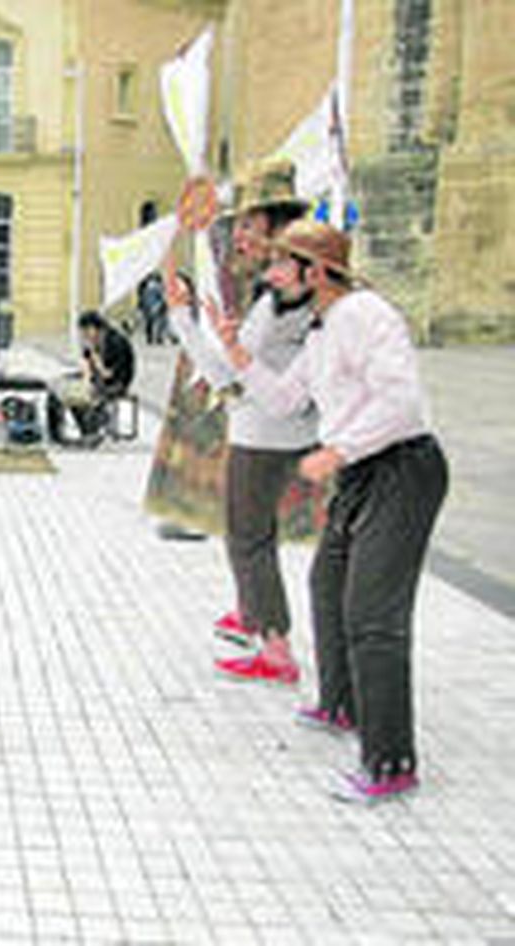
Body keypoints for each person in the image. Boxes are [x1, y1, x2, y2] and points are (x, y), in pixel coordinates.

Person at [210, 219, 449, 804]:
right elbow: (287, 398)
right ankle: (341, 705)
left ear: (315, 272)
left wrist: (338, 448)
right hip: (361, 470)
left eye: (280, 265)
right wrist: (239, 353)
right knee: (326, 585)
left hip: (403, 468)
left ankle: (391, 761)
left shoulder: (366, 316)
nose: (269, 275)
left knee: (373, 616)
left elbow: (401, 401)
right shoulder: (319, 330)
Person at [165, 161, 317, 685]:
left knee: (248, 539)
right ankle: (257, 621)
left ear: (279, 230)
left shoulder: (278, 303)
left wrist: (184, 321)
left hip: (265, 434)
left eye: (251, 225)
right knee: (254, 536)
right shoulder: (286, 292)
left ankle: (275, 647)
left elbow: (227, 375)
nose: (242, 236)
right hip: (277, 429)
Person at [48, 312, 135, 444]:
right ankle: (57, 434)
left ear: (94, 328)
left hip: (117, 382)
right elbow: (87, 366)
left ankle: (90, 429)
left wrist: (94, 357)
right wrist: (85, 377)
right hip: (98, 378)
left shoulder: (115, 342)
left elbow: (108, 373)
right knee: (60, 386)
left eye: (86, 331)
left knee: (78, 394)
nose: (85, 336)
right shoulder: (93, 342)